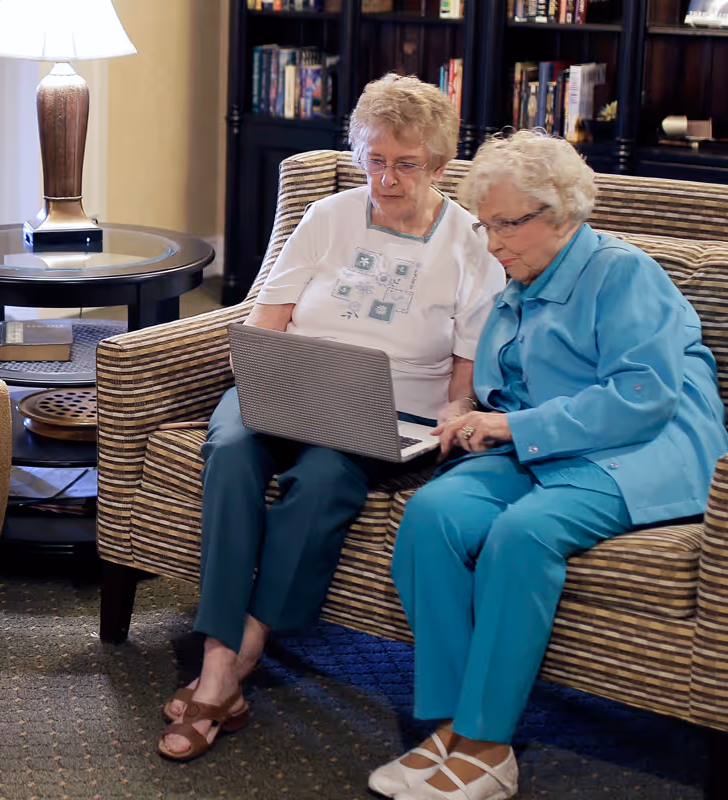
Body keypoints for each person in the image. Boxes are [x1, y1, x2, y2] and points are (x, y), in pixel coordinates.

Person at [372, 130, 728, 800]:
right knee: (432, 515)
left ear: (562, 214)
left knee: (522, 534)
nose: (494, 241)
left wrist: (508, 423)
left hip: (642, 454)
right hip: (547, 446)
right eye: (486, 225)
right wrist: (469, 414)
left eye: (509, 224)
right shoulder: (517, 281)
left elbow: (643, 396)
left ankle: (487, 744)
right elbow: (514, 382)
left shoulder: (622, 273)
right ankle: (452, 728)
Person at [157, 73, 505, 761]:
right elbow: (266, 318)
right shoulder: (328, 217)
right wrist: (271, 371)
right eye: (374, 159)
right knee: (229, 448)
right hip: (292, 385)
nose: (387, 177)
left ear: (438, 165)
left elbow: (465, 376)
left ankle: (228, 662)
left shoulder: (470, 242)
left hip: (392, 410)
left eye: (406, 164)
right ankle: (229, 665)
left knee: (321, 480)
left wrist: (453, 416)